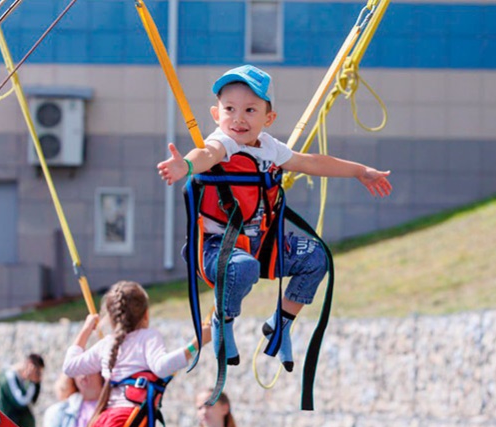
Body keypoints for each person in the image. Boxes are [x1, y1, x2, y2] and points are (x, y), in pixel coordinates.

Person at [156, 64, 392, 374]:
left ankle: (279, 325)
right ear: (216, 114)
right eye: (230, 109)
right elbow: (205, 156)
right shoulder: (222, 144)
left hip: (260, 244)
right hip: (215, 249)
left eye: (250, 110)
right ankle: (222, 321)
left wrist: (360, 171)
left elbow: (312, 162)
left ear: (268, 119)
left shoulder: (269, 148)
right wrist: (185, 166)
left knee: (316, 258)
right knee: (243, 267)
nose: (239, 118)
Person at [62, 281, 212, 427]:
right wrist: (197, 343)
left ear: (111, 317)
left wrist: (85, 330)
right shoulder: (147, 337)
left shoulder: (106, 343)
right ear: (146, 314)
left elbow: (69, 366)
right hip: (129, 422)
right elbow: (162, 367)